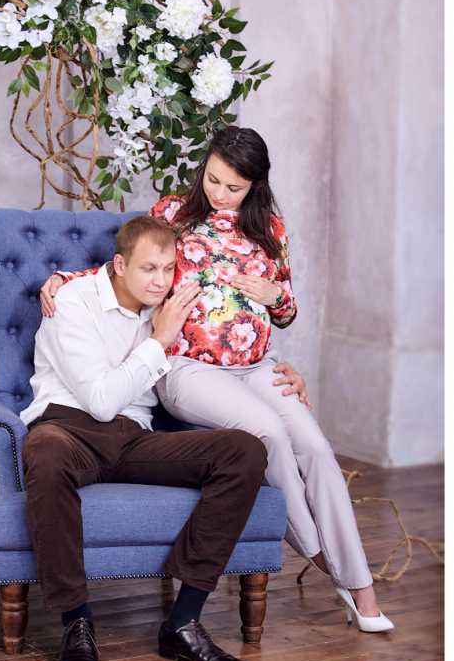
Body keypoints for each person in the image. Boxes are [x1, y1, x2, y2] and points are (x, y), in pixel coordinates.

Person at [41, 126, 394, 634]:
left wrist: (275, 296)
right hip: (188, 367)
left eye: (234, 187)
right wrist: (63, 280)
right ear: (203, 169)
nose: (220, 194)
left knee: (316, 447)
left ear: (255, 185)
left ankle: (361, 587)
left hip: (256, 366)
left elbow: (286, 312)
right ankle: (326, 562)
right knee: (268, 433)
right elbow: (133, 271)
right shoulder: (173, 214)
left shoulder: (271, 229)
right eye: (213, 180)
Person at [21, 215, 268, 661]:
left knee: (244, 451)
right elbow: (99, 402)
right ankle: (76, 621)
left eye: (168, 269)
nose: (160, 281)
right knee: (46, 453)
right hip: (69, 428)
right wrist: (159, 340)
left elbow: (233, 349)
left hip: (134, 437)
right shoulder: (72, 301)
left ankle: (182, 623)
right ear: (119, 265)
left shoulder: (172, 305)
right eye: (148, 269)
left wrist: (279, 373)